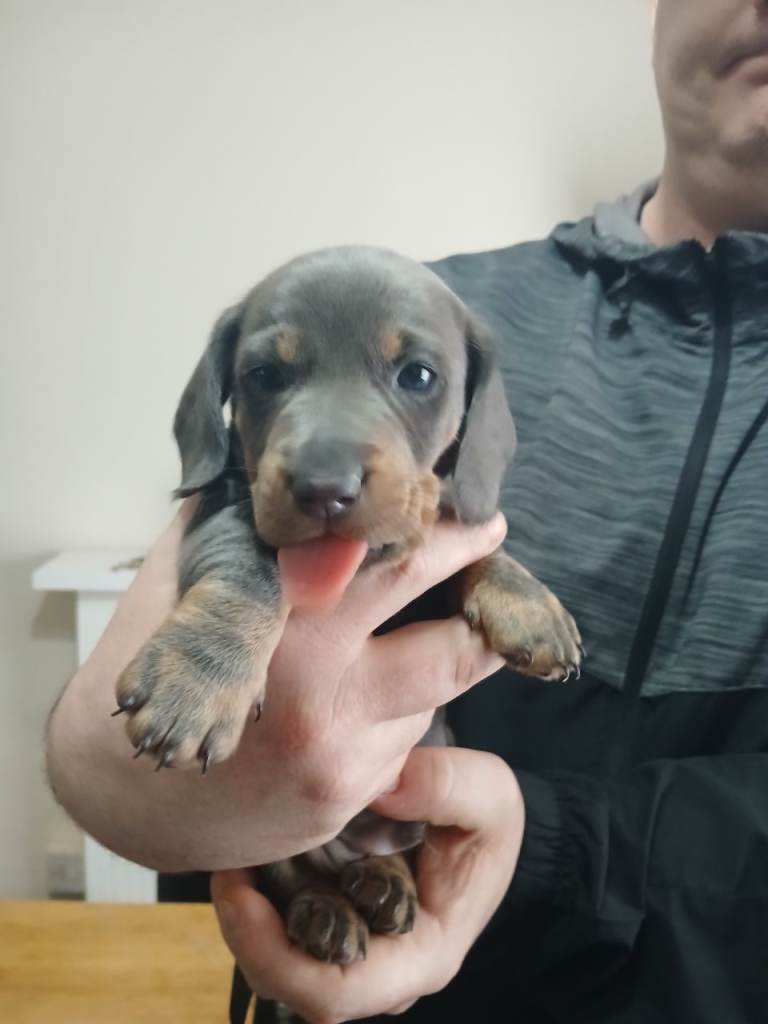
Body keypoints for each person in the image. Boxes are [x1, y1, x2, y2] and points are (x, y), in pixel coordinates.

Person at [46, 0, 768, 1020]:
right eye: (272, 378)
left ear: (472, 409)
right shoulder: (425, 295)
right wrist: (112, 765)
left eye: (414, 379)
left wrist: (540, 834)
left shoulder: (459, 349)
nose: (331, 459)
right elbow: (210, 551)